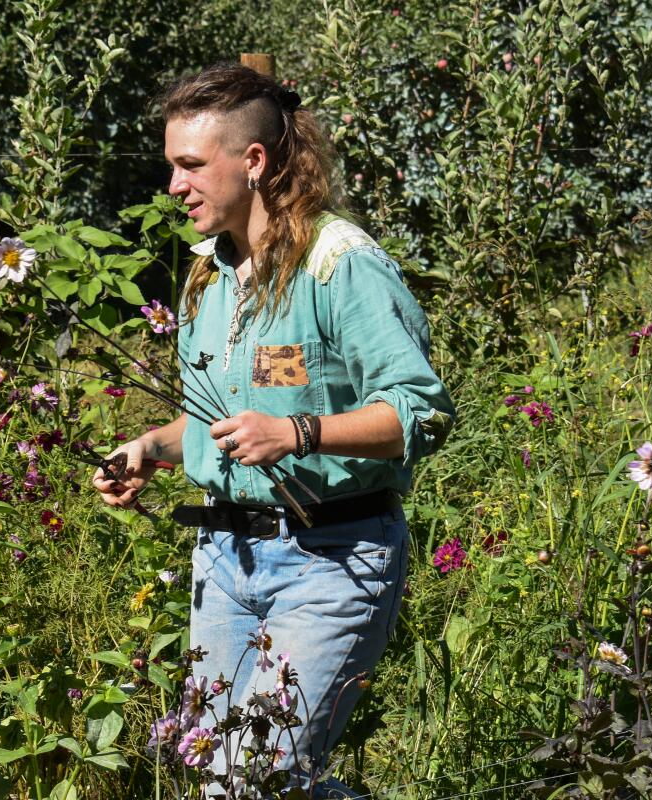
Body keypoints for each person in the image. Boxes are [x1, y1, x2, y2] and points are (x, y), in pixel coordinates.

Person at [91, 62, 454, 798]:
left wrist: (300, 434)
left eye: (191, 165)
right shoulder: (209, 275)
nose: (174, 186)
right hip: (223, 560)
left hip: (331, 558)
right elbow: (216, 417)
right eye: (172, 166)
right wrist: (151, 449)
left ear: (252, 161)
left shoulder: (337, 264)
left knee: (254, 775)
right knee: (218, 771)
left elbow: (421, 412)